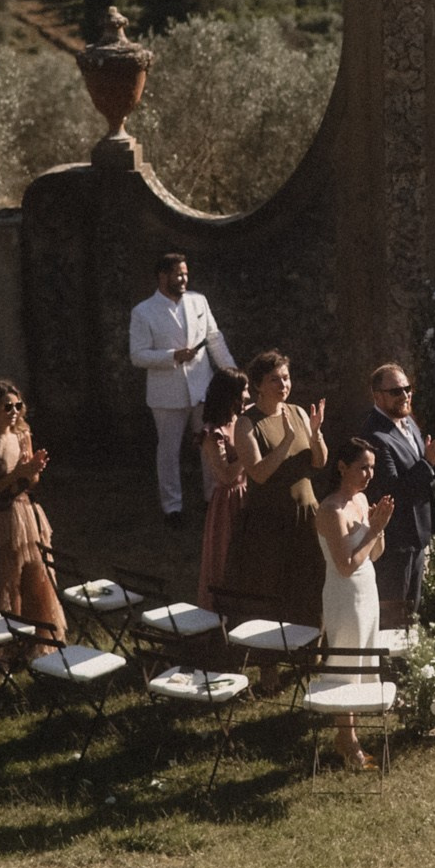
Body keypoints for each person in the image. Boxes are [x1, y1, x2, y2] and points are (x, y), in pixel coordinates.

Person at [360, 361, 435, 622]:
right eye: (396, 391)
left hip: (416, 534)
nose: (404, 395)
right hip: (395, 539)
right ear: (377, 396)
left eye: (407, 388)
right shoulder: (375, 435)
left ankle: (406, 658)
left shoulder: (408, 423)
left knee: (411, 609)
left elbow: (415, 469)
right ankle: (387, 662)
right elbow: (391, 490)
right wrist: (429, 463)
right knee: (393, 610)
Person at [128, 252, 238, 527]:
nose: (183, 279)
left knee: (211, 443)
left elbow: (214, 338)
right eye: (178, 274)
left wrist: (234, 375)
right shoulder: (143, 311)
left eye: (186, 274)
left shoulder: (198, 301)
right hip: (166, 394)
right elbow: (137, 355)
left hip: (203, 387)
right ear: (162, 276)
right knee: (169, 450)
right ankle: (172, 508)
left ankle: (212, 497)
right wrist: (172, 356)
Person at [0, 379, 66, 660]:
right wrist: (16, 474)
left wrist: (33, 470)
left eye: (18, 406)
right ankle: (1, 650)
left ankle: (36, 644)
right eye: (8, 406)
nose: (14, 412)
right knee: (1, 583)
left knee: (35, 581)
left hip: (25, 517)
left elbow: (31, 482)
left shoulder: (22, 436)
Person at [227, 349, 329, 630]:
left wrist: (317, 433)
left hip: (307, 514)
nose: (283, 385)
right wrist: (286, 442)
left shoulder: (297, 412)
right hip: (269, 520)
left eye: (286, 378)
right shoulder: (247, 422)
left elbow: (319, 462)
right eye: (274, 380)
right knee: (270, 591)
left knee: (311, 585)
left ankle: (308, 655)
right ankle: (268, 662)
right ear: (258, 385)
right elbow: (258, 474)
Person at [314, 439, 395, 770]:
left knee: (363, 658)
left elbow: (374, 555)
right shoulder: (331, 510)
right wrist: (374, 530)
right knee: (345, 662)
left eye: (372, 467)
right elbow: (346, 566)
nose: (369, 474)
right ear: (342, 467)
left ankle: (348, 733)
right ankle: (348, 740)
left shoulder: (361, 500)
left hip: (367, 591)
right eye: (363, 467)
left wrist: (380, 528)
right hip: (343, 594)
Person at [195, 366, 251, 608]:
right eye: (245, 390)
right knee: (225, 556)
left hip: (249, 493)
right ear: (231, 395)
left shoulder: (243, 419)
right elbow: (226, 475)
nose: (249, 395)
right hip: (228, 501)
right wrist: (248, 454)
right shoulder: (212, 433)